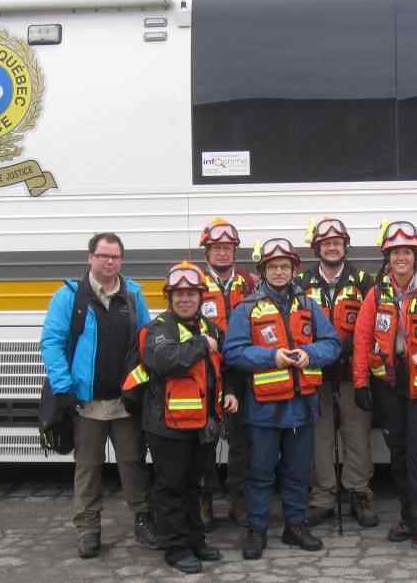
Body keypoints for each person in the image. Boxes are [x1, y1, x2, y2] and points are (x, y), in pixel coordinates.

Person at [40, 232, 155, 559]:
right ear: (90, 257)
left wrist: (143, 386)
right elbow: (51, 343)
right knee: (88, 467)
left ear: (121, 260)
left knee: (132, 464)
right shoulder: (68, 296)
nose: (109, 262)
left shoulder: (134, 295)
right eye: (103, 255)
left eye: (115, 256)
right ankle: (88, 528)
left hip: (125, 402)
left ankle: (143, 519)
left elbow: (147, 342)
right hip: (85, 403)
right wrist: (63, 389)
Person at [224, 238, 341, 560]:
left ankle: (296, 525)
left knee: (298, 472)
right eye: (273, 267)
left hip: (301, 407)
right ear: (263, 271)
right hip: (262, 409)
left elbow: (332, 343)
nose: (279, 272)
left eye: (284, 266)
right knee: (260, 472)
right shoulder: (246, 308)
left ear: (293, 270)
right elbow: (232, 352)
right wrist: (271, 357)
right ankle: (257, 529)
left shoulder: (309, 305)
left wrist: (310, 353)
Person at [352, 221, 417, 557]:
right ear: (387, 257)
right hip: (389, 384)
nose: (401, 257)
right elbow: (362, 338)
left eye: (407, 252)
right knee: (398, 455)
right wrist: (360, 381)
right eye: (396, 252)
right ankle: (407, 518)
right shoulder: (376, 293)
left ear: (416, 257)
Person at [130, 262, 239, 574]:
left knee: (195, 484)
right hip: (167, 426)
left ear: (201, 296)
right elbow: (164, 361)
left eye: (191, 293)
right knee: (170, 486)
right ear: (169, 297)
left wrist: (230, 391)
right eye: (178, 294)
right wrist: (201, 344)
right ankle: (175, 548)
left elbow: (225, 368)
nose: (185, 299)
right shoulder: (159, 329)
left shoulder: (210, 328)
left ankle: (196, 539)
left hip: (201, 424)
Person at [296, 218, 377, 528]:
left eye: (337, 242)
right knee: (320, 436)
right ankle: (322, 496)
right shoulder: (300, 283)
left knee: (357, 434)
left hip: (352, 373)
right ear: (317, 247)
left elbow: (373, 325)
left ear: (345, 246)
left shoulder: (364, 281)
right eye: (326, 243)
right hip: (314, 373)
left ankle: (359, 492)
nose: (332, 247)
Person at [196, 218, 258, 528]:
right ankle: (204, 501)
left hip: (241, 372)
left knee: (241, 441)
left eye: (227, 248)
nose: (222, 253)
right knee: (203, 439)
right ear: (206, 251)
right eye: (216, 248)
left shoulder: (250, 282)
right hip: (204, 373)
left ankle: (238, 499)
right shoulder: (192, 281)